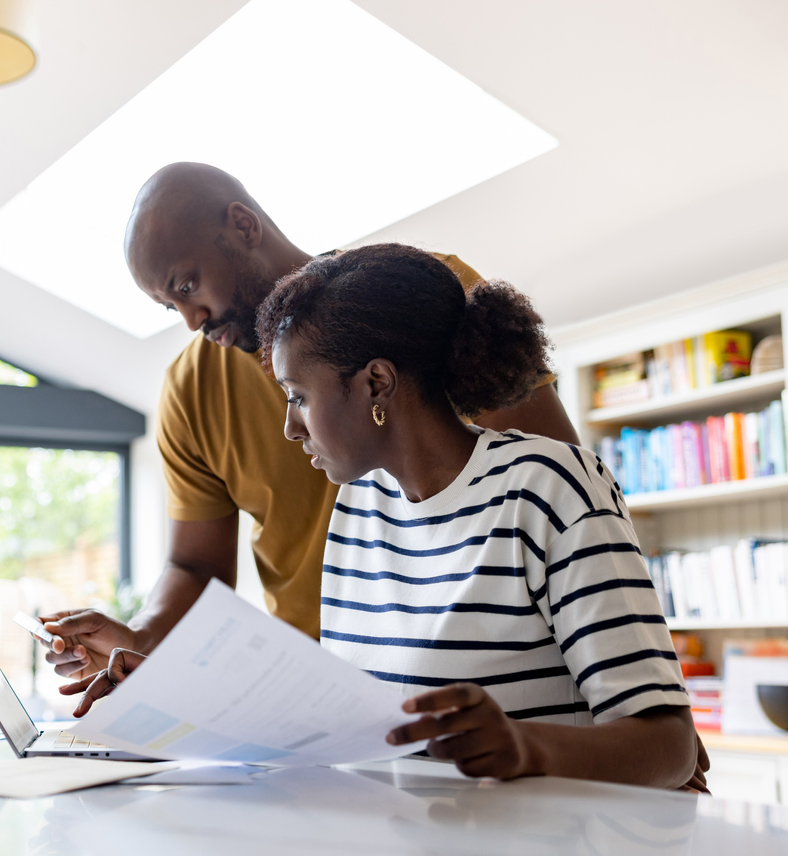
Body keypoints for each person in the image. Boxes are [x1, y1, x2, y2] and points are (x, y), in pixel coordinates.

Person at [66, 244, 701, 790]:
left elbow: (668, 748)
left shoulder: (549, 486)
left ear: (375, 384)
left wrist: (524, 748)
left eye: (299, 397)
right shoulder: (359, 510)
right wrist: (169, 696)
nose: (290, 427)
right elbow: (348, 723)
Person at [39, 163, 579, 682]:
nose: (190, 320)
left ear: (243, 226)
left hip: (475, 660)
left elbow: (558, 486)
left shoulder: (421, 298)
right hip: (317, 687)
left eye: (186, 286)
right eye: (168, 307)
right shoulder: (189, 390)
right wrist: (139, 638)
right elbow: (195, 566)